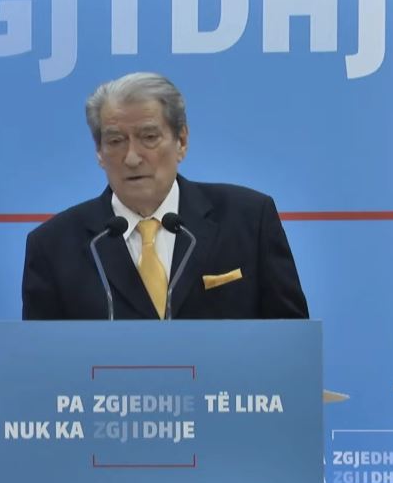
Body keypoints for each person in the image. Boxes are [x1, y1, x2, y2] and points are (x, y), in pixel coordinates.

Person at [22, 72, 308, 320]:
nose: (132, 158)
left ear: (181, 141)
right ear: (99, 151)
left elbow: (291, 344)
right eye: (116, 141)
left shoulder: (248, 220)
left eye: (149, 137)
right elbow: (41, 359)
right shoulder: (53, 246)